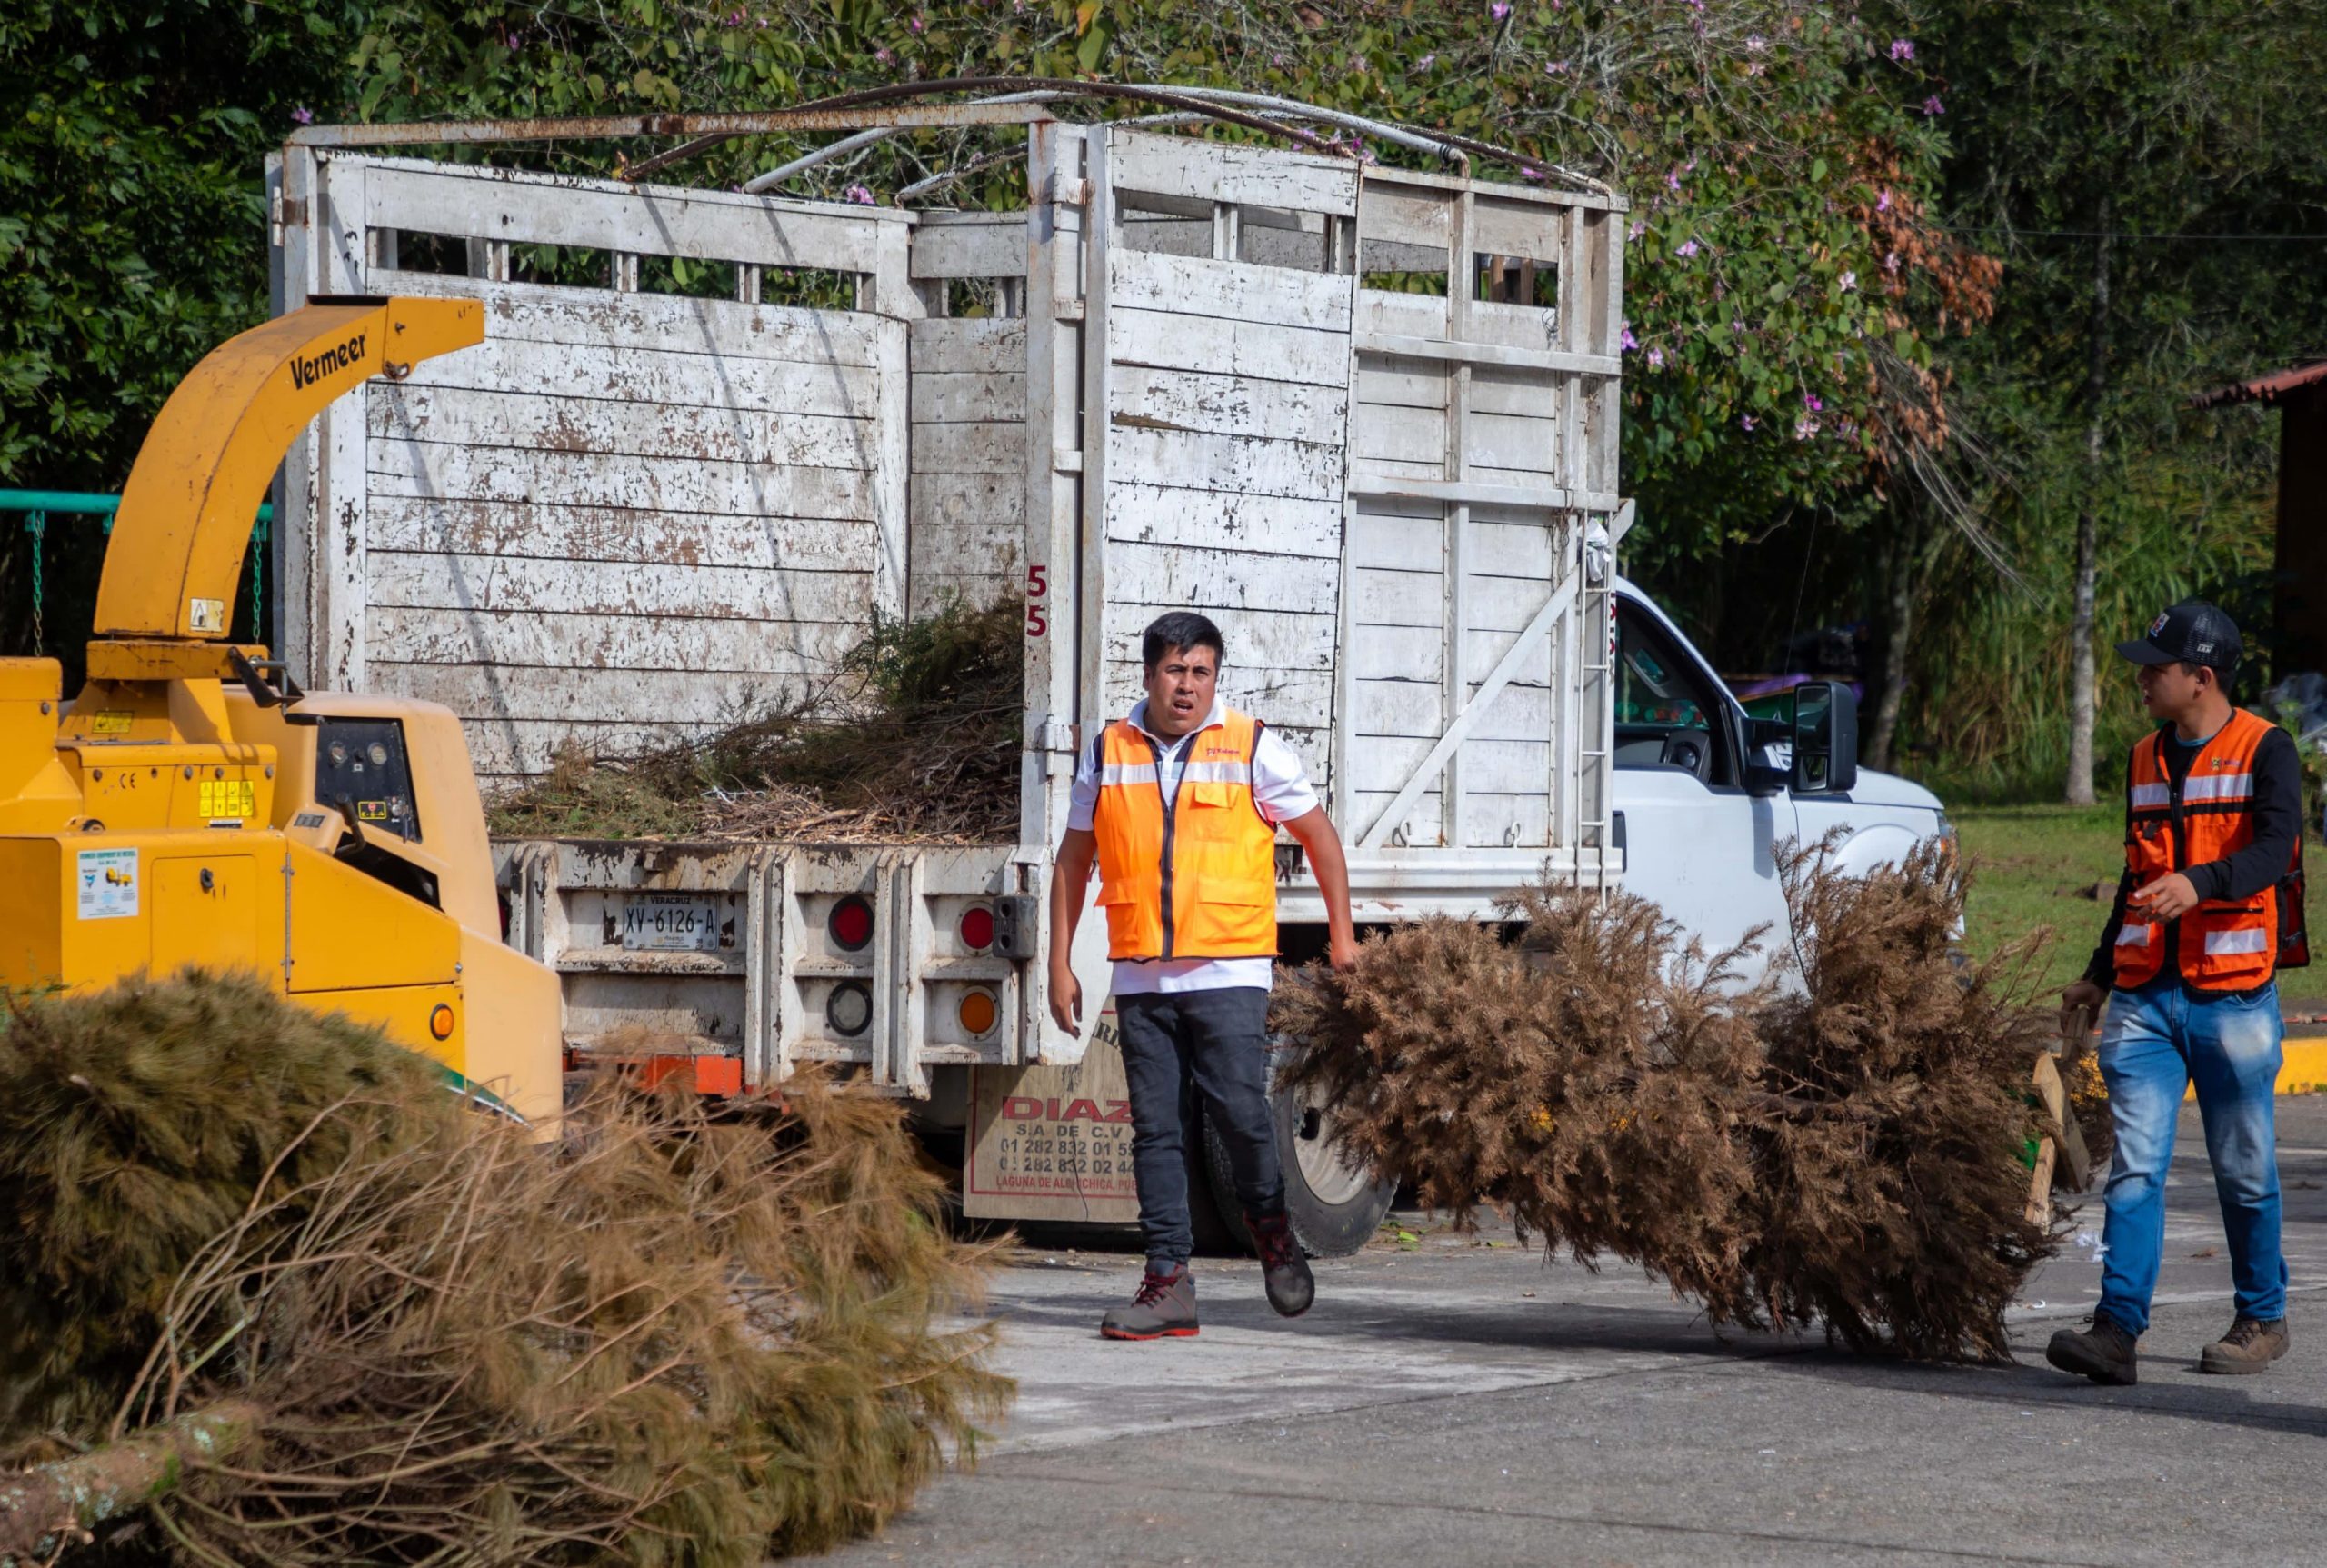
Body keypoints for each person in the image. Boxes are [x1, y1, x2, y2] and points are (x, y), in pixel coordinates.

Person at [1046, 611, 1357, 1342]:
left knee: (1242, 1117)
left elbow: (1319, 836)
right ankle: (1167, 1282)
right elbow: (1072, 860)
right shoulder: (1109, 750)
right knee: (1155, 1132)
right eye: (1174, 671)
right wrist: (1060, 963)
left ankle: (1273, 1232)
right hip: (1142, 976)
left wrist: (1342, 937)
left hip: (1228, 968)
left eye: (1201, 672)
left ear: (1215, 677)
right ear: (1148, 674)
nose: (1187, 686)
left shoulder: (1251, 746)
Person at [2050, 602, 2307, 1385]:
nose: (2141, 677)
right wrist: (2098, 972)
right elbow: (2137, 873)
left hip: (2231, 996)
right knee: (2136, 1168)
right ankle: (2116, 1329)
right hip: (2144, 997)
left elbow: (2273, 850)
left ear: (2201, 677)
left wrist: (2200, 883)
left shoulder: (2268, 748)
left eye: (2155, 667)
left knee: (2244, 1167)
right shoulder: (2140, 759)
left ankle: (2262, 1316)